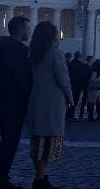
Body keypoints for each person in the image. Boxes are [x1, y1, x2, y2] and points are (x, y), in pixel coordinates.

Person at [0, 16, 32, 189]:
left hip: (2, 100)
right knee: (9, 142)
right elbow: (20, 78)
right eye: (27, 28)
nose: (29, 32)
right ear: (20, 30)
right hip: (13, 102)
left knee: (7, 141)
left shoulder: (1, 49)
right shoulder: (16, 51)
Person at [25, 21, 72, 189]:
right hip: (52, 102)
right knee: (48, 141)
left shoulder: (33, 54)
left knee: (37, 141)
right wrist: (70, 98)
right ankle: (41, 179)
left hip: (36, 101)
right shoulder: (55, 54)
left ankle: (40, 177)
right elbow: (63, 80)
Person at [65, 51, 87, 122]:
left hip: (72, 84)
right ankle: (71, 115)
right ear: (79, 57)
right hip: (78, 85)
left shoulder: (71, 63)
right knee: (75, 101)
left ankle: (68, 115)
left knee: (70, 101)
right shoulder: (81, 64)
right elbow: (83, 75)